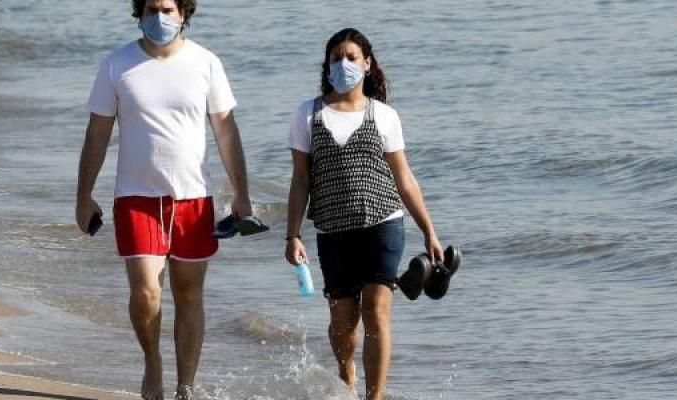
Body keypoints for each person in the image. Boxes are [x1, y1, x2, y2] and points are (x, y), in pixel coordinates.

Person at [75, 1, 252, 399]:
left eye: (168, 7)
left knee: (189, 294)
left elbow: (226, 131)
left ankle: (185, 386)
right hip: (136, 197)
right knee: (146, 292)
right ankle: (152, 362)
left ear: (184, 12)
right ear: (139, 12)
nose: (160, 16)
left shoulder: (206, 63)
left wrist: (241, 193)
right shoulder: (116, 65)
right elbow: (97, 133)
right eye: (152, 7)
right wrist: (84, 194)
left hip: (193, 198)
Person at [284, 28, 445, 400]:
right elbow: (299, 181)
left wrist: (429, 231)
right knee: (343, 324)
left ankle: (374, 397)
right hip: (333, 230)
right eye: (336, 58)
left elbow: (405, 180)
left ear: (367, 64)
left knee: (376, 311)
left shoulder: (384, 116)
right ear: (326, 65)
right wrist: (292, 235)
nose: (343, 64)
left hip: (383, 226)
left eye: (351, 57)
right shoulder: (307, 115)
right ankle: (347, 376)